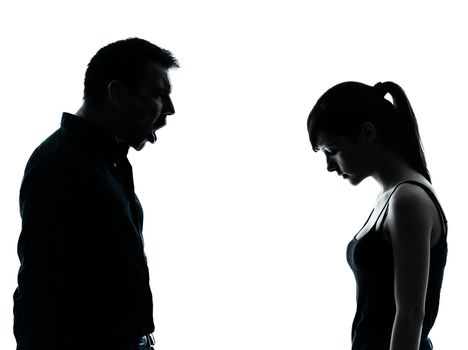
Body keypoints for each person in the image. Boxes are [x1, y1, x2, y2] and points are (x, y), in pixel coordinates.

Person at [13, 38, 179, 350]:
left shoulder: (107, 160)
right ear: (117, 94)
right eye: (158, 94)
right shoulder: (59, 164)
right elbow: (37, 294)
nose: (169, 110)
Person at [307, 81, 447, 350]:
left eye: (333, 150)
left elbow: (410, 315)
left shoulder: (407, 200)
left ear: (367, 134)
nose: (329, 166)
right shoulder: (391, 196)